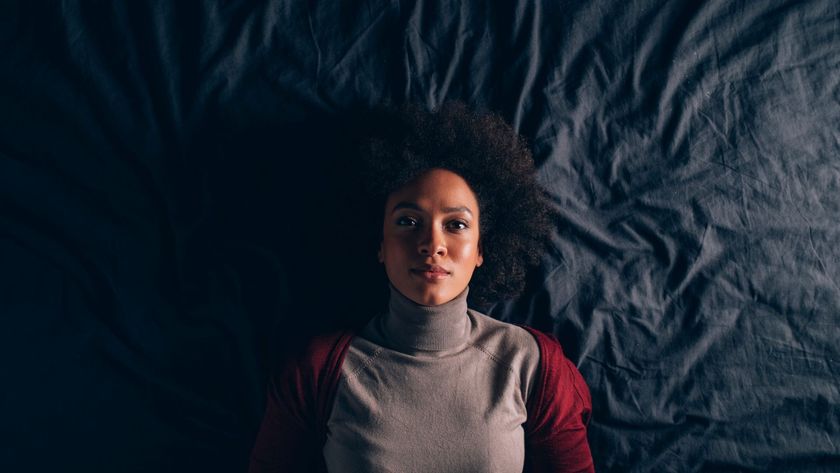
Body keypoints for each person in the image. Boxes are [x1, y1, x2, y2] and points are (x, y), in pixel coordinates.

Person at [249, 103, 594, 473]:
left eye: (456, 224)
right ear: (379, 244)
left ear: (481, 249)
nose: (432, 244)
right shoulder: (316, 372)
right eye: (409, 221)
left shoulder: (534, 366)